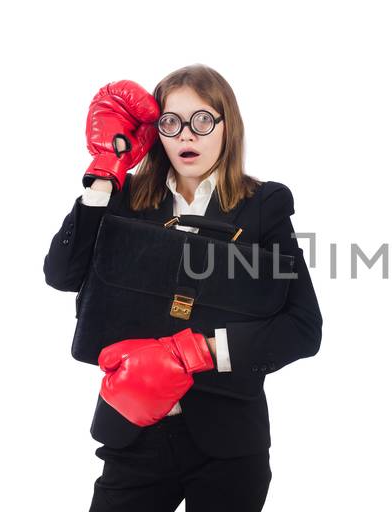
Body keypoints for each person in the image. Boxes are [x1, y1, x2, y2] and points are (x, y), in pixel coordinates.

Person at [43, 64, 323, 512]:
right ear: (156, 132)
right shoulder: (126, 199)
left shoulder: (264, 207)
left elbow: (304, 327)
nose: (186, 135)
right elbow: (61, 274)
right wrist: (104, 173)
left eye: (202, 120)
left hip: (230, 446)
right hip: (135, 436)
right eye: (171, 122)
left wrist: (196, 352)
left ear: (226, 126)